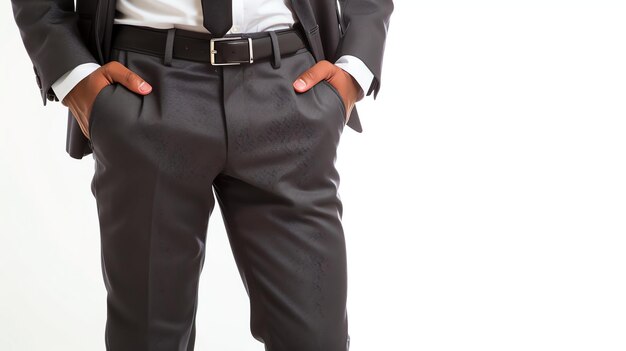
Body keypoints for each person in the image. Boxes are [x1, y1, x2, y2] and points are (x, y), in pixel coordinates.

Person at [11, 0, 393, 349]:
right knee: (147, 339)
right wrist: (73, 75)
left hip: (289, 90)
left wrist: (354, 67)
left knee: (316, 338)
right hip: (143, 91)